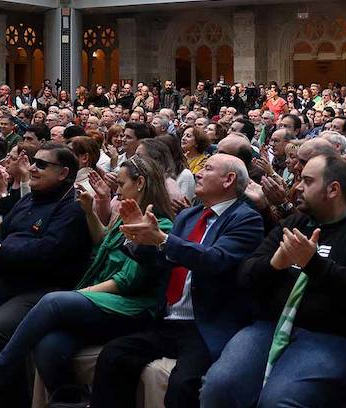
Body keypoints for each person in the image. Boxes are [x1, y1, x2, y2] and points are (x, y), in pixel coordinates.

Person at [0, 155, 175, 407]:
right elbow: (104, 244)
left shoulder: (159, 226)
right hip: (102, 299)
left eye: (120, 184)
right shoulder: (126, 216)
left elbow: (126, 281)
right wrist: (90, 211)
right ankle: (70, 402)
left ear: (140, 183)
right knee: (49, 346)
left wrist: (82, 293)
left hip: (131, 307)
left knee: (52, 302)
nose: (117, 191)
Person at [200, 154, 346, 407]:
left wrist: (313, 264)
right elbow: (246, 275)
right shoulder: (295, 223)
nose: (297, 187)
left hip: (335, 337)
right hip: (270, 326)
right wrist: (275, 264)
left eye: (307, 180)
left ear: (333, 189)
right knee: (220, 387)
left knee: (278, 402)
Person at [91, 154, 263, 408]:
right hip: (168, 320)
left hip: (204, 324)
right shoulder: (189, 215)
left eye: (207, 168)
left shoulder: (246, 219)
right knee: (114, 354)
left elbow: (214, 260)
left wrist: (162, 239)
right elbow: (164, 259)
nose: (198, 173)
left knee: (183, 385)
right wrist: (135, 237)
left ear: (229, 180)